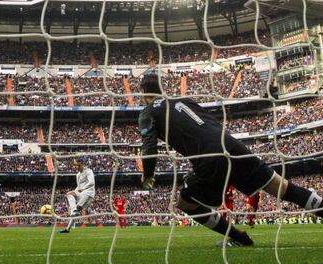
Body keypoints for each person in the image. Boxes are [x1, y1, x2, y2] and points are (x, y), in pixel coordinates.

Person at [138, 74, 323, 246]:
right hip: (231, 144)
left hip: (208, 156)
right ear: (161, 88)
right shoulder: (184, 100)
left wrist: (147, 175)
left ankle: (238, 237)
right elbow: (210, 122)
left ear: (142, 93)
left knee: (185, 203)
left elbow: (149, 147)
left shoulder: (147, 112)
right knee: (281, 187)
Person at [59, 158, 95, 233]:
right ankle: (67, 229)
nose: (74, 167)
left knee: (76, 210)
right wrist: (75, 191)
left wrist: (83, 188)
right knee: (69, 194)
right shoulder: (78, 175)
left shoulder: (89, 171)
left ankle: (73, 211)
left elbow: (92, 182)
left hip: (88, 193)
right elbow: (79, 186)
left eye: (75, 165)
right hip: (82, 192)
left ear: (81, 164)